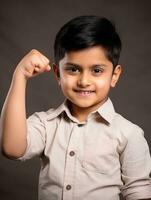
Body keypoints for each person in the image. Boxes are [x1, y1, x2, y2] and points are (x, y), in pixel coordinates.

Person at [0, 15, 151, 200]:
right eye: (73, 69)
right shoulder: (46, 124)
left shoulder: (129, 134)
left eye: (96, 71)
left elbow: (139, 192)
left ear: (114, 75)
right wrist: (20, 76)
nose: (83, 81)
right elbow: (12, 149)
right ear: (57, 73)